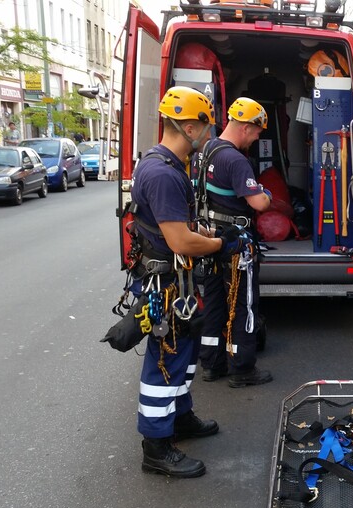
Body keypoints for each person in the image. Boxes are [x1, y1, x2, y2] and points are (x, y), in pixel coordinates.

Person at [129, 86, 251, 477]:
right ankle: (156, 446)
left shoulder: (165, 164)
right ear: (186, 125)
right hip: (165, 283)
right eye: (204, 126)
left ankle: (180, 419)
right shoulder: (163, 173)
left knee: (180, 356)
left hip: (173, 279)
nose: (208, 134)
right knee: (165, 362)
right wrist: (218, 242)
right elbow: (179, 240)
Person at [198, 97, 274, 388]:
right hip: (235, 244)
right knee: (243, 303)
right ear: (245, 127)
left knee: (215, 301)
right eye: (256, 132)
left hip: (210, 238)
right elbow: (260, 203)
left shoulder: (205, 151)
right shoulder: (235, 159)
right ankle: (242, 368)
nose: (256, 138)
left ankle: (212, 363)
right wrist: (265, 192)